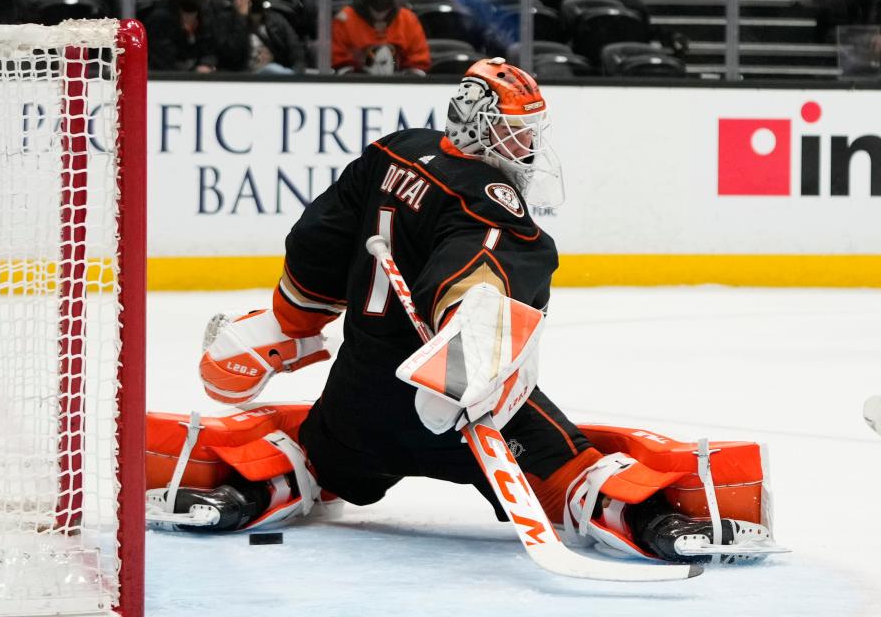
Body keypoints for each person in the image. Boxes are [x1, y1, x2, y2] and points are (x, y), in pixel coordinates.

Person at [146, 58, 782, 565]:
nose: (526, 143)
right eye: (515, 129)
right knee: (574, 473)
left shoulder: (391, 152)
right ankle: (657, 522)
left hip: (358, 395)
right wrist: (469, 354)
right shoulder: (492, 199)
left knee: (317, 459)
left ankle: (238, 496)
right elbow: (481, 277)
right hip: (452, 405)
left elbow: (317, 243)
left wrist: (289, 322)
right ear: (479, 125)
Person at [331, 0, 431, 75]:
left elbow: (418, 61)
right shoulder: (345, 18)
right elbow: (338, 61)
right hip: (356, 85)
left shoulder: (409, 19)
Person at [217, 0, 306, 74]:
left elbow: (297, 52)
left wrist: (296, 75)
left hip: (275, 78)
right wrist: (240, 18)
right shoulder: (224, 20)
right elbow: (232, 56)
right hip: (242, 78)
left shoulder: (276, 18)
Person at [144, 0, 220, 73]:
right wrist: (194, 71)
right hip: (168, 80)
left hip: (203, 81)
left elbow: (211, 52)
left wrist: (207, 64)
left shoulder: (209, 15)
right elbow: (164, 62)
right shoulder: (159, 19)